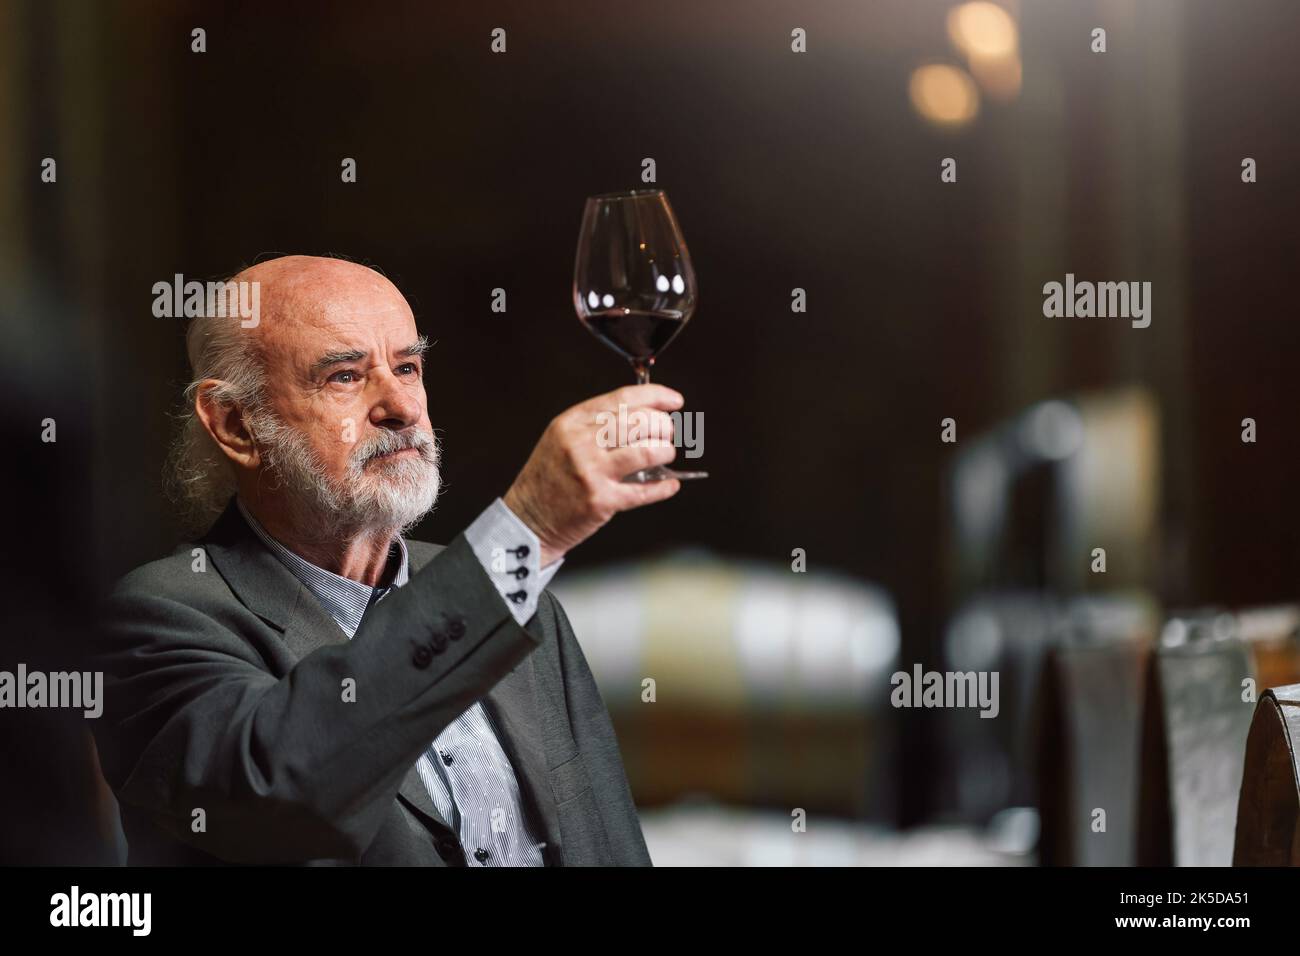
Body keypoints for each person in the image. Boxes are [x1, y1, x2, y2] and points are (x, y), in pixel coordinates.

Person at [89, 254, 684, 866]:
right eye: (344, 376)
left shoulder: (518, 596)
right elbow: (280, 797)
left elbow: (607, 843)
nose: (401, 406)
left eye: (407, 367)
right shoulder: (158, 620)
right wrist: (525, 530)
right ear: (237, 424)